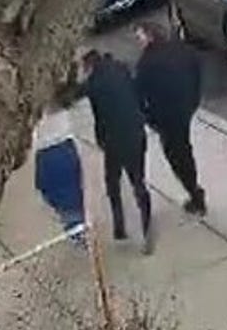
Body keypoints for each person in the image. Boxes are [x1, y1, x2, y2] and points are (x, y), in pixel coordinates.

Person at [79, 48, 153, 254]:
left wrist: (101, 140)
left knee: (113, 182)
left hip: (114, 140)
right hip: (136, 133)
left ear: (89, 66)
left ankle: (119, 226)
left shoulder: (94, 84)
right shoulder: (121, 69)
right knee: (138, 182)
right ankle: (147, 227)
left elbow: (99, 116)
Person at [133, 21, 207, 215]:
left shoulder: (145, 64)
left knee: (176, 155)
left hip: (165, 118)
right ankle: (194, 190)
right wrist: (193, 99)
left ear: (149, 35)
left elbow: (139, 96)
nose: (138, 41)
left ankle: (194, 193)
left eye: (139, 36)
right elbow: (196, 69)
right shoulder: (182, 50)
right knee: (184, 150)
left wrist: (150, 120)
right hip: (184, 109)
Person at [32, 101, 86, 249]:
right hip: (63, 146)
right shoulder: (61, 105)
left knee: (65, 201)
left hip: (48, 151)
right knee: (72, 193)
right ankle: (78, 229)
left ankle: (77, 231)